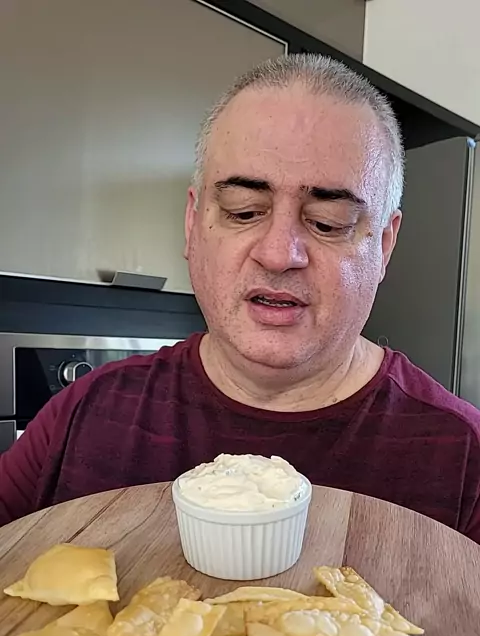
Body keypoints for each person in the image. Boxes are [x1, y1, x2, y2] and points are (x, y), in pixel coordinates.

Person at [1, 53, 479, 542]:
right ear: (193, 224)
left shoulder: (465, 456)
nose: (278, 254)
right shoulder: (84, 412)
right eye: (243, 211)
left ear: (384, 246)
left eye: (327, 223)